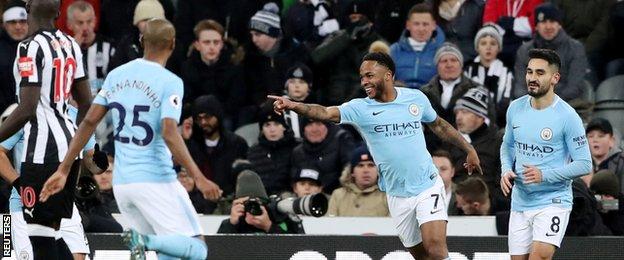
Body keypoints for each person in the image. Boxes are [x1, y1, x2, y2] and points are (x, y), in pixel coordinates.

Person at [269, 51, 482, 259]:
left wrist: (469, 149)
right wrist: (294, 105)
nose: (364, 81)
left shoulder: (415, 98)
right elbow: (325, 112)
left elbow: (439, 125)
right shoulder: (360, 108)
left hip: (427, 185)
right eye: (362, 77)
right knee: (422, 256)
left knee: (435, 249)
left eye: (369, 75)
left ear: (388, 76)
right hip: (397, 194)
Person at [39, 19, 221, 260]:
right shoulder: (170, 81)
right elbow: (169, 131)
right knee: (196, 248)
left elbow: (88, 122)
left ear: (142, 41)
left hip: (123, 185)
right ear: (173, 44)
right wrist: (199, 177)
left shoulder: (116, 76)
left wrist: (64, 169)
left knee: (168, 251)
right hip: (156, 180)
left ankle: (145, 244)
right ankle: (145, 242)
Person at [0, 0, 93, 258]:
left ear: (28, 8)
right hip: (66, 151)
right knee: (52, 231)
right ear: (59, 13)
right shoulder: (71, 44)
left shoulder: (28, 47)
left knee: (40, 239)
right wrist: (76, 144)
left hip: (40, 153)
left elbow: (27, 108)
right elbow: (86, 102)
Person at [500, 49, 592, 259]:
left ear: (555, 78)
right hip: (520, 201)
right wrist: (506, 170)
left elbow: (584, 164)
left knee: (539, 257)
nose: (532, 78)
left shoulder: (568, 116)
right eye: (530, 71)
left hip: (553, 201)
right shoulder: (515, 108)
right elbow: (508, 145)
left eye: (540, 73)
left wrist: (544, 175)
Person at [0, 105, 106, 260]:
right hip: (27, 203)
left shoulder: (80, 117)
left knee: (77, 256)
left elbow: (91, 160)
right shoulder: (25, 113)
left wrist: (99, 164)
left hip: (64, 200)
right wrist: (19, 184)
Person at [512, 3, 588, 103]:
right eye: (543, 22)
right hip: (532, 106)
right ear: (536, 26)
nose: (548, 27)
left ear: (559, 25)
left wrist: (549, 103)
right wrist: (533, 104)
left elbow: (575, 87)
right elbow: (519, 87)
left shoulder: (575, 48)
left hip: (565, 105)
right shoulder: (525, 50)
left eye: (552, 21)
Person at [186, 95, 249, 212]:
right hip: (195, 206)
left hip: (230, 205)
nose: (203, 122)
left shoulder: (236, 144)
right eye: (199, 118)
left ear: (218, 116)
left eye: (208, 117)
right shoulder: (191, 146)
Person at [217, 170, 305, 234]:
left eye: (258, 202)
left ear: (266, 203)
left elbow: (299, 252)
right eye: (247, 203)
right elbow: (217, 253)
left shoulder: (279, 218)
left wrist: (269, 226)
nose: (253, 207)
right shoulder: (232, 223)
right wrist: (231, 225)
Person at [464, 24, 513, 127]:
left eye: (493, 43)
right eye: (483, 43)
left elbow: (505, 102)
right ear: (477, 47)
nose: (488, 47)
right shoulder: (469, 70)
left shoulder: (506, 72)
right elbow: (464, 98)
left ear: (499, 48)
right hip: (470, 122)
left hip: (497, 123)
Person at [290, 118, 355, 193]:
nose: (314, 129)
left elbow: (349, 174)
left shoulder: (342, 141)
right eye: (309, 125)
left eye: (319, 124)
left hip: (336, 196)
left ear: (327, 127)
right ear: (303, 130)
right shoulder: (297, 152)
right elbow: (293, 180)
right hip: (304, 198)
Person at [390, 3, 445, 89]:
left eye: (425, 24)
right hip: (400, 97)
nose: (421, 29)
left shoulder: (442, 52)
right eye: (416, 24)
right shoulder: (394, 50)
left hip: (431, 98)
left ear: (434, 25)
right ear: (408, 25)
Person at [327, 145, 389, 217]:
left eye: (371, 165)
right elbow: (329, 225)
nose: (366, 170)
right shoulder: (338, 195)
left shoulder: (387, 196)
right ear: (352, 172)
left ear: (378, 170)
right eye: (360, 165)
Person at [247, 110, 297, 196]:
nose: (272, 129)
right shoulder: (253, 152)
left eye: (276, 124)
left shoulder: (296, 148)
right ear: (262, 130)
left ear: (284, 127)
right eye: (267, 125)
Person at [0, 0, 28, 113]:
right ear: (4, 24)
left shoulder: (39, 47)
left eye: (22, 21)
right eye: (12, 22)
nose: (18, 26)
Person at [586, 117, 624, 193]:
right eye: (590, 136)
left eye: (601, 136)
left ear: (611, 140)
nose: (595, 140)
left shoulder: (621, 163)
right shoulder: (581, 164)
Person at [431, 149, 459, 215]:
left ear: (452, 172)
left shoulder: (462, 196)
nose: (438, 173)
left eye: (443, 169)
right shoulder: (420, 196)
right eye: (434, 169)